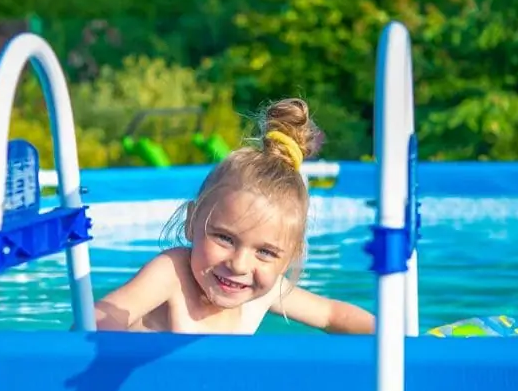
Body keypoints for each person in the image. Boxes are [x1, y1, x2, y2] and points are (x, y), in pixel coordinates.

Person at [94, 97, 376, 335]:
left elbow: (332, 314)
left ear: (291, 256)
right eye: (225, 238)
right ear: (192, 222)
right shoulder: (172, 273)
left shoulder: (266, 289)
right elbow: (102, 319)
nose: (240, 265)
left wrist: (399, 338)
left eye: (265, 252)